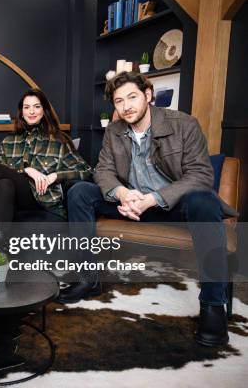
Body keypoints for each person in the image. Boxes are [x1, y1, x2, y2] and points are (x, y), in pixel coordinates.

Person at [62, 71, 236, 347]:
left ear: (148, 95)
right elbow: (104, 171)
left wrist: (153, 198)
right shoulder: (114, 130)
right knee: (80, 192)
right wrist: (122, 193)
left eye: (132, 97)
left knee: (204, 200)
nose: (126, 106)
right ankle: (87, 278)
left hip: (172, 204)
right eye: (119, 101)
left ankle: (213, 305)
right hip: (130, 201)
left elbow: (201, 175)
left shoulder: (184, 125)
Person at [0, 88, 92, 255]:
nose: (31, 111)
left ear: (44, 110)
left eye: (36, 106)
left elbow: (86, 171)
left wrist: (56, 176)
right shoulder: (9, 141)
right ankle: (1, 251)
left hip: (43, 199)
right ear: (21, 112)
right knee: (3, 183)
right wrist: (28, 170)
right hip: (15, 198)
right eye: (26, 107)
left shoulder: (58, 140)